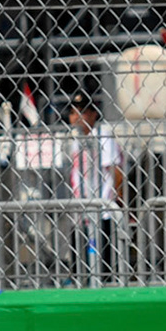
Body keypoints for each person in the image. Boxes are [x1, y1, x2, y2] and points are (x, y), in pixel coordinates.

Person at [63, 89, 123, 280]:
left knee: (101, 264)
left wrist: (117, 198)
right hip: (79, 209)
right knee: (79, 263)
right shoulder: (74, 139)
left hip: (101, 207)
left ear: (94, 114)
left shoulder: (102, 135)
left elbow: (116, 171)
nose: (78, 117)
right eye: (73, 112)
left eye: (83, 111)